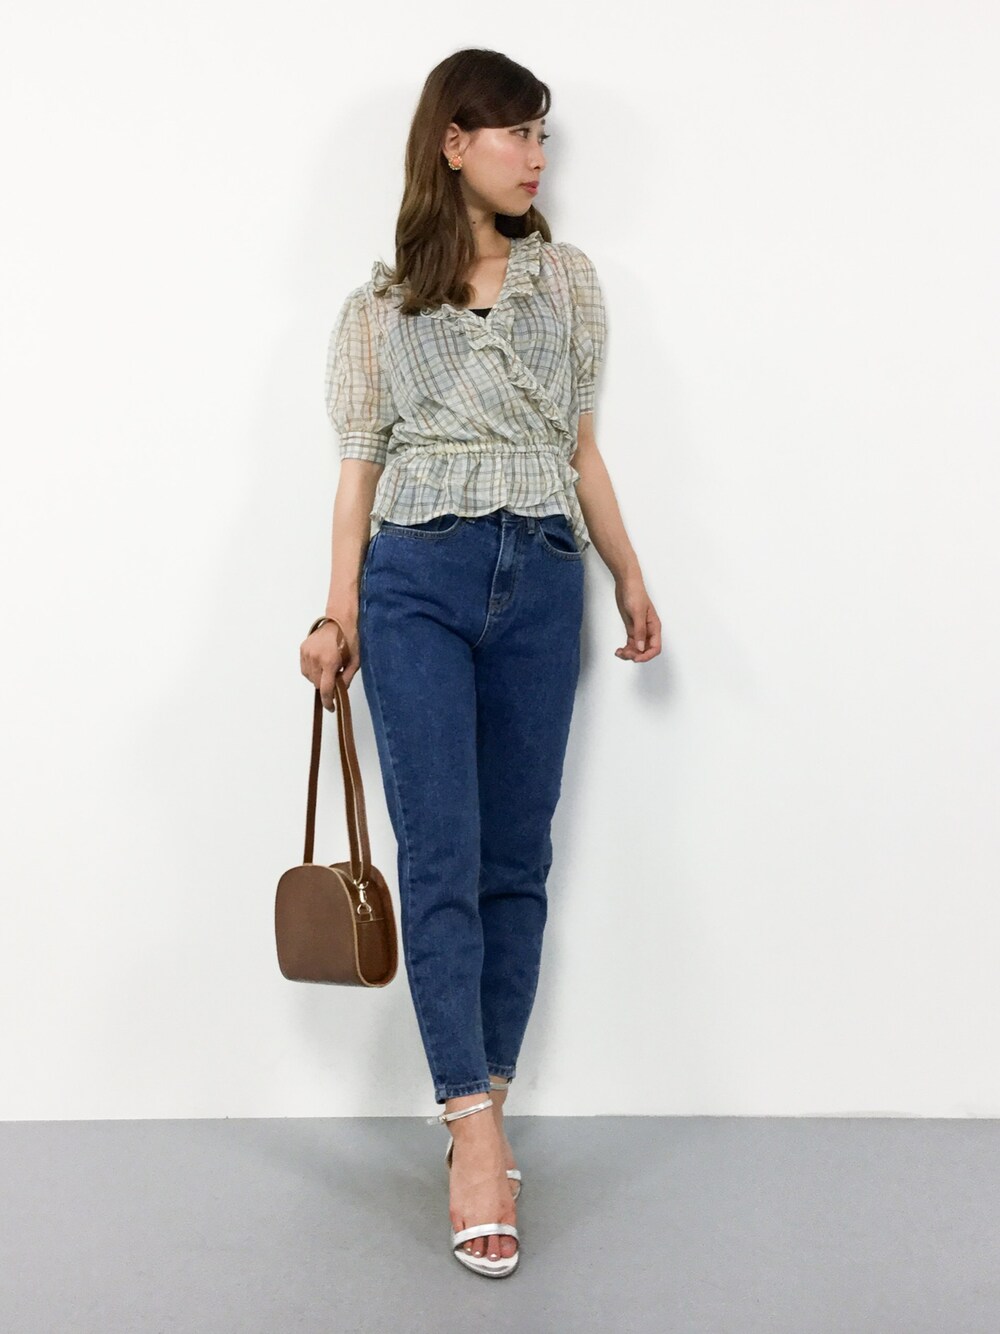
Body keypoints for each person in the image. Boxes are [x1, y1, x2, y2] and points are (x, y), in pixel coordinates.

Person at [300, 47, 661, 1279]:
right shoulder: (377, 310)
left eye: (542, 136)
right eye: (515, 133)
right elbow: (357, 474)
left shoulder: (567, 283)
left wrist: (627, 570)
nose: (535, 156)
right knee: (440, 854)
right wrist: (337, 614)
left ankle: (484, 1100)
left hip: (543, 577)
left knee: (517, 859)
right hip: (415, 580)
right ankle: (471, 1130)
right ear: (452, 144)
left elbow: (581, 449)